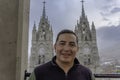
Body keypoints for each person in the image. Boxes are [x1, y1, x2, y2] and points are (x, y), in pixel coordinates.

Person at [28, 29, 95, 80]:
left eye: (72, 44)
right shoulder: (38, 73)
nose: (66, 49)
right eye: (62, 43)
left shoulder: (87, 74)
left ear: (77, 49)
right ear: (54, 47)